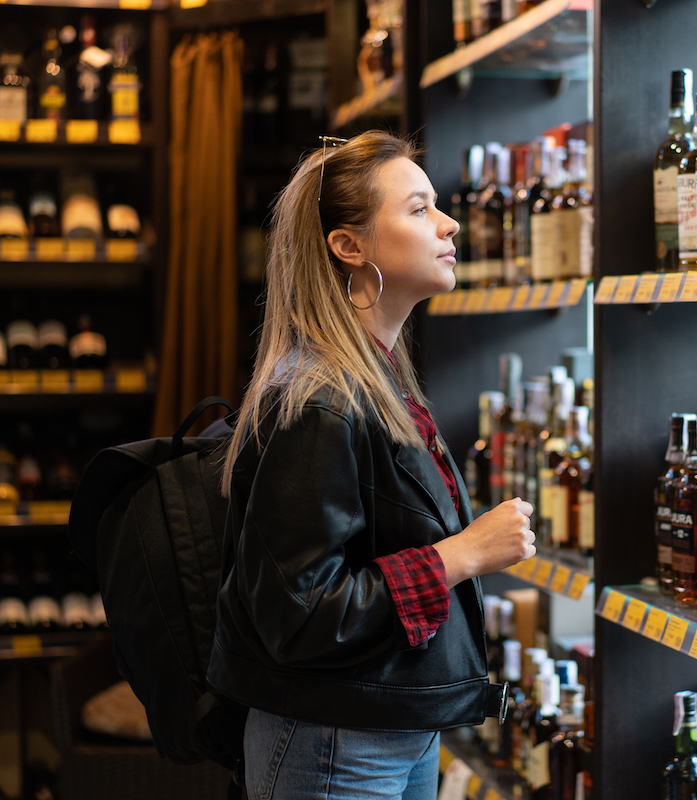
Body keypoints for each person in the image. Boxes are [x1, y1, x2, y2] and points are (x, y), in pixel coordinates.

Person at [208, 131, 536, 800]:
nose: (448, 224)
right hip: (335, 743)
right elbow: (301, 615)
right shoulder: (319, 401)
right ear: (349, 247)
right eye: (418, 210)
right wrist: (461, 555)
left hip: (389, 729)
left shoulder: (375, 383)